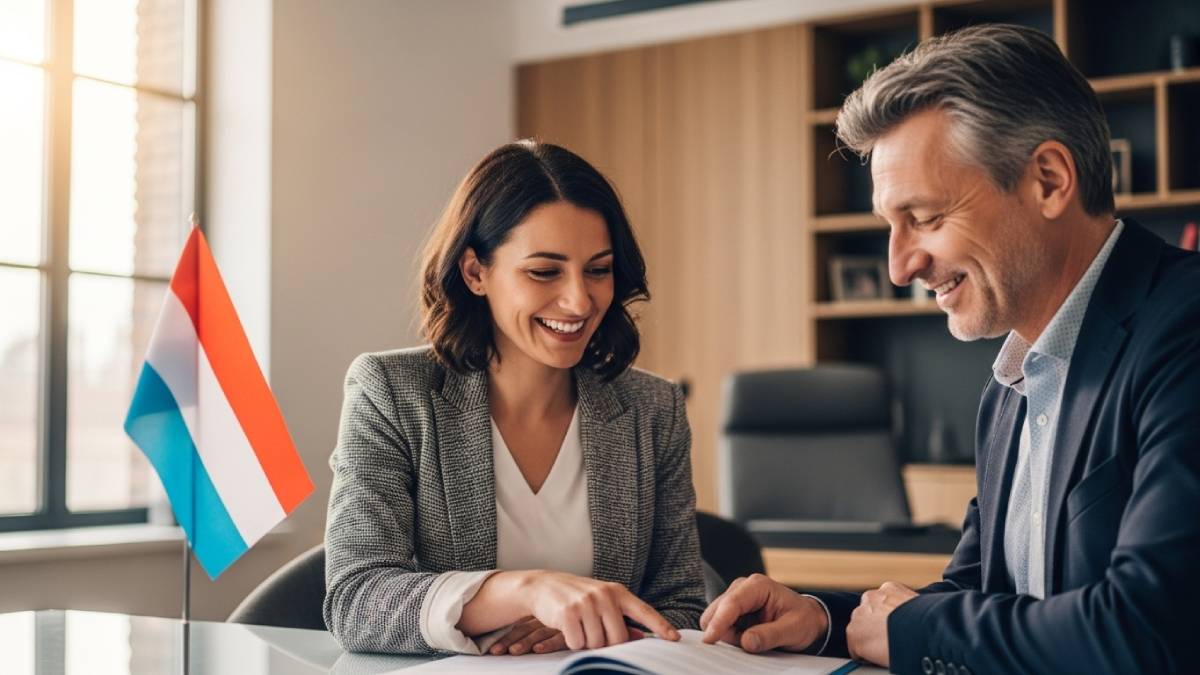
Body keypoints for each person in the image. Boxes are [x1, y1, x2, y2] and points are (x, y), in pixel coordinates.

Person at [701, 23, 1200, 674]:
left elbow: (1145, 632)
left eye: (927, 218)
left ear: (1048, 180)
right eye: (890, 226)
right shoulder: (1009, 392)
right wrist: (824, 621)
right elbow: (973, 603)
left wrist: (910, 625)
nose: (900, 266)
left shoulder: (1184, 331)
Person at [323, 141, 704, 655]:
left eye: (598, 269)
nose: (579, 300)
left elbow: (681, 604)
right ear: (476, 272)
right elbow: (356, 599)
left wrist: (590, 629)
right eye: (544, 271)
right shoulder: (391, 391)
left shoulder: (652, 408)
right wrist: (520, 590)